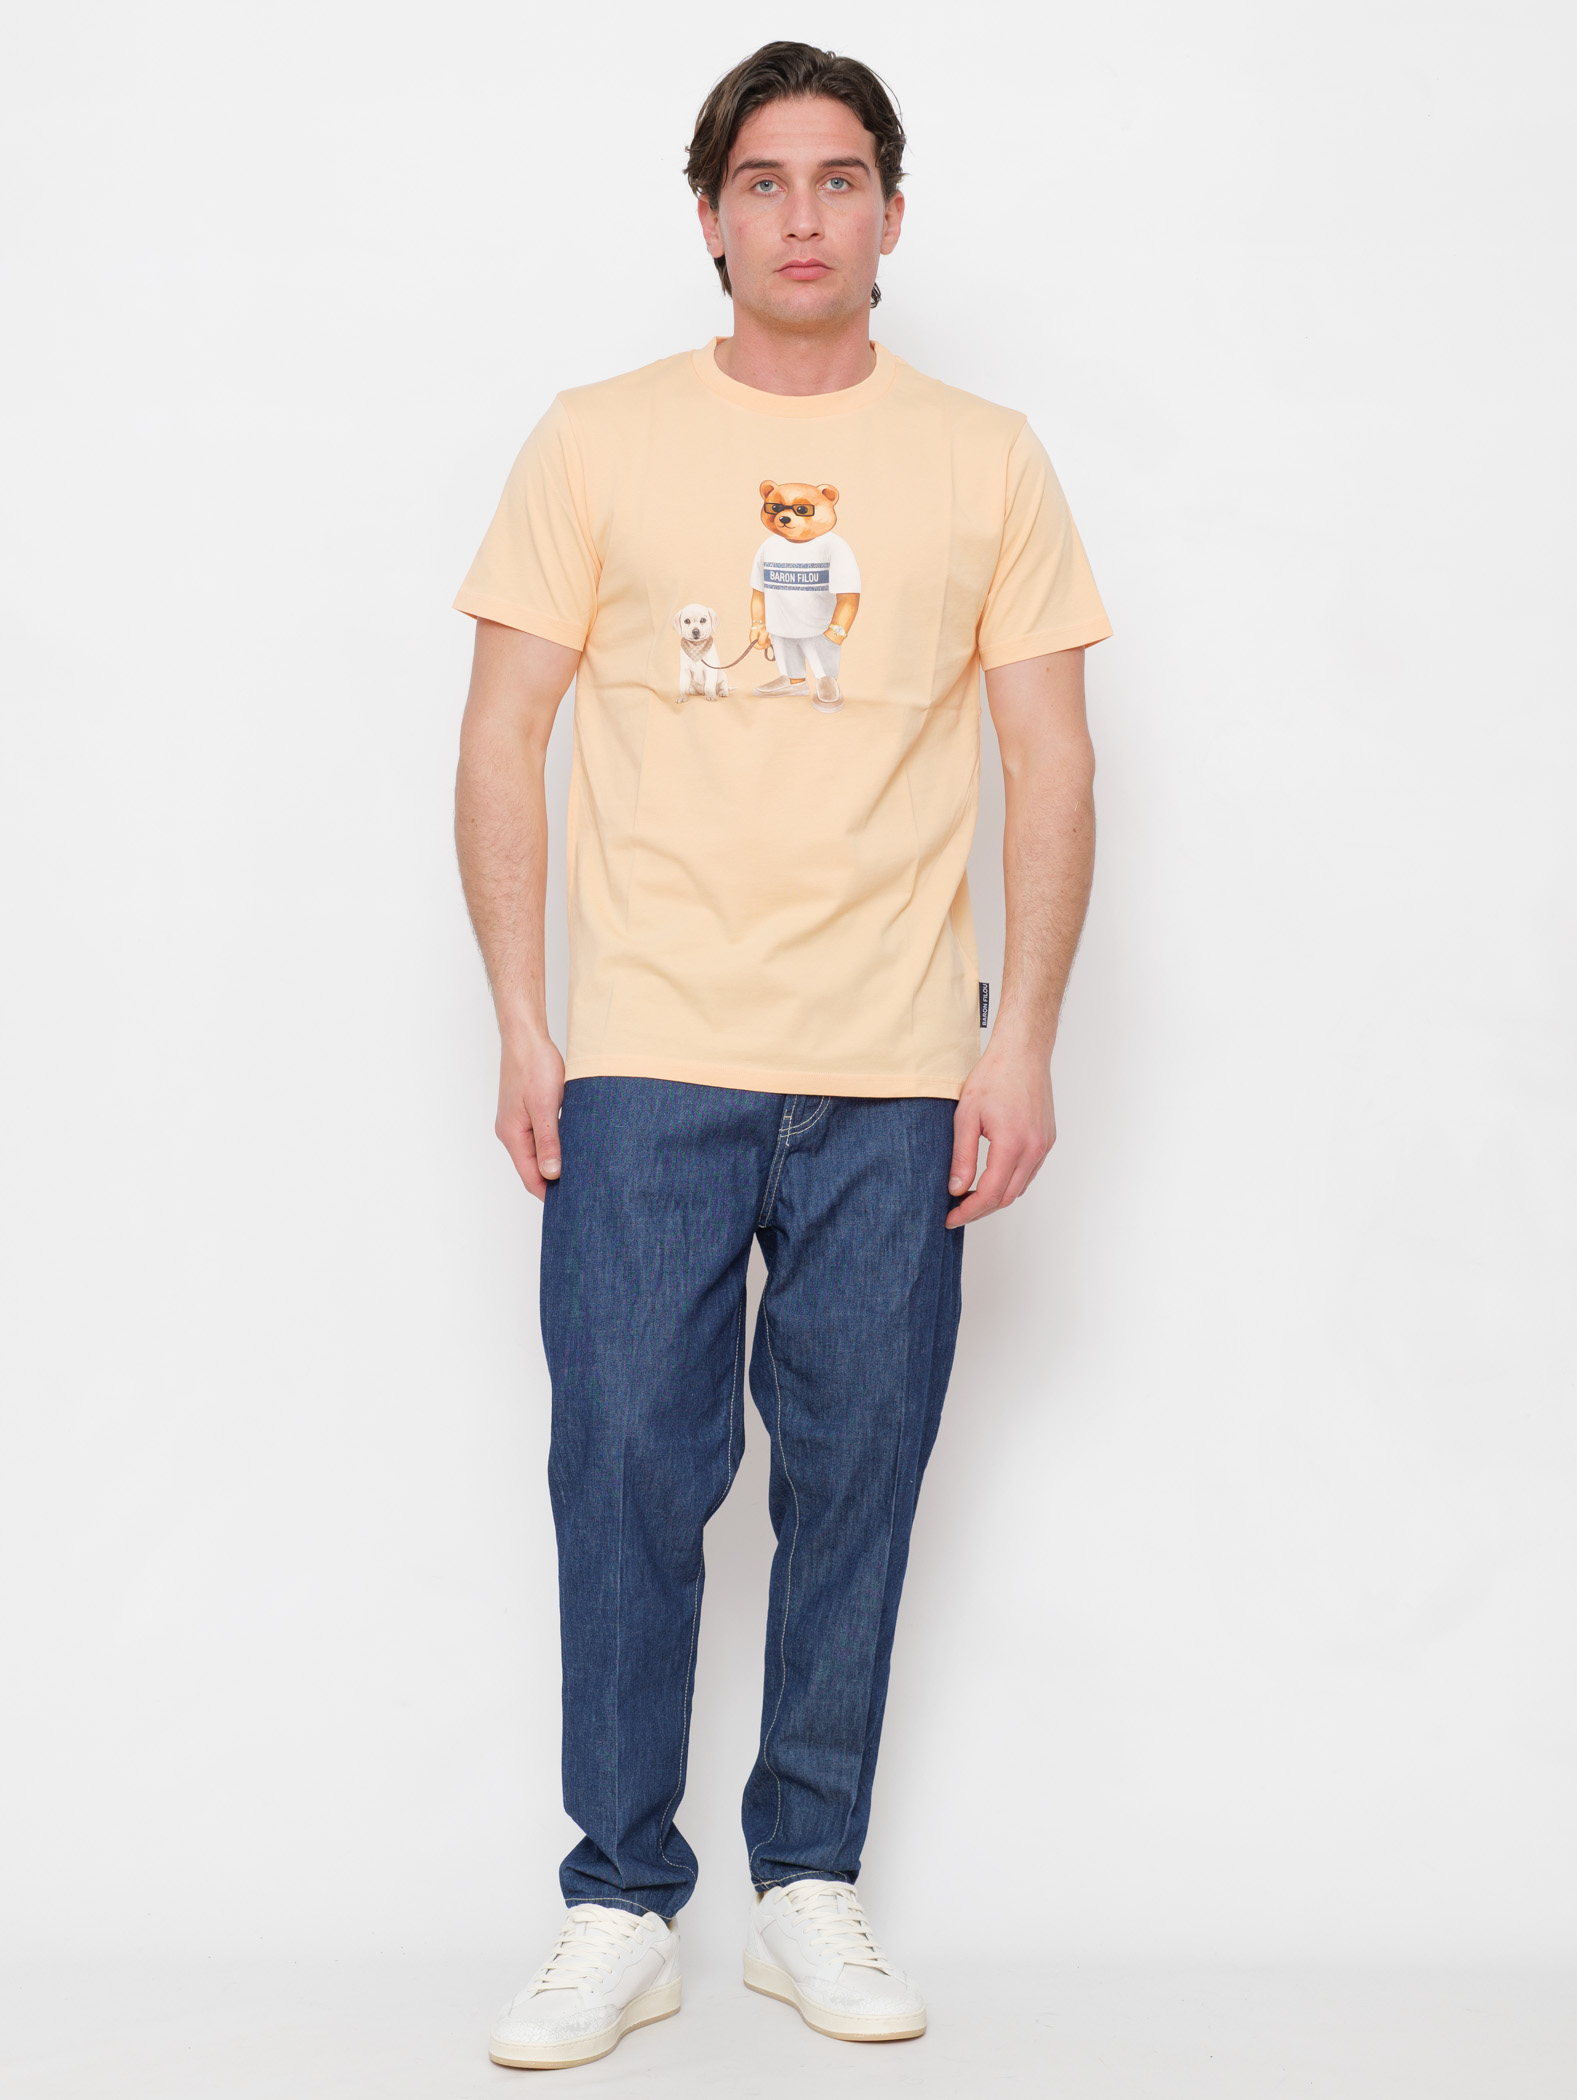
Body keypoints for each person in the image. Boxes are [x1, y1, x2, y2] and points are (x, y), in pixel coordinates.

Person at [452, 40, 1110, 2072]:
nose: (801, 214)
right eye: (763, 179)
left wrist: (1024, 1041)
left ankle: (806, 1879)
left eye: (839, 179)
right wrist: (524, 1016)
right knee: (624, 1467)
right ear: (711, 213)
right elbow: (500, 735)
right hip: (647, 1048)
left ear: (892, 216)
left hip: (901, 1062)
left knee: (857, 1469)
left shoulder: (986, 457)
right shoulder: (597, 438)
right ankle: (620, 1899)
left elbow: (1051, 761)